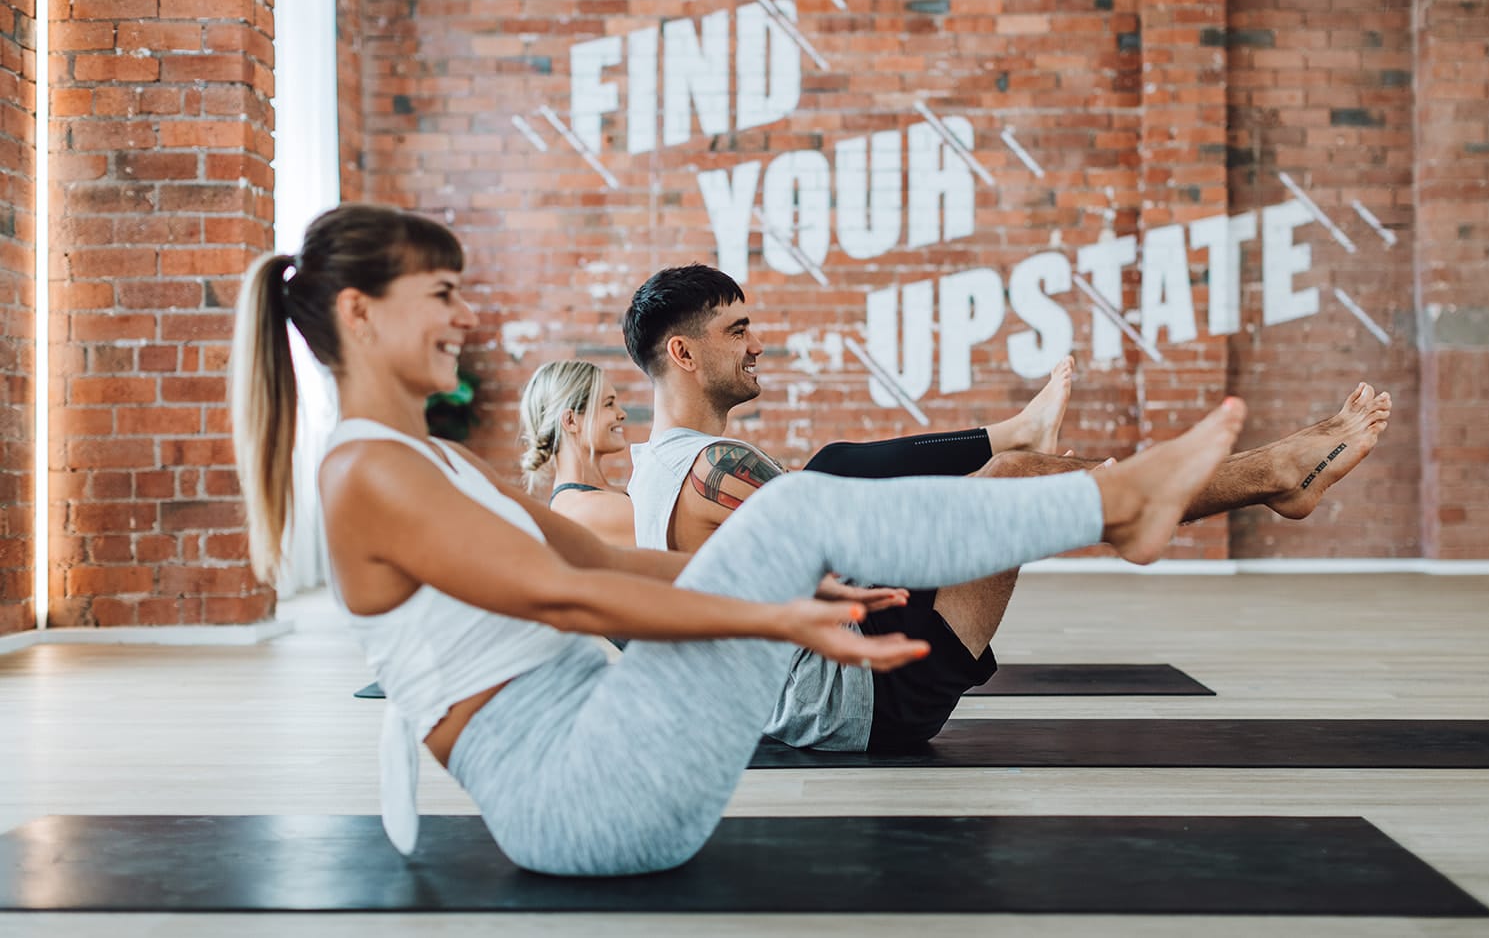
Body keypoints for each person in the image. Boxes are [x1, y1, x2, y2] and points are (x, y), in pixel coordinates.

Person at [230, 202, 1247, 876]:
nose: (466, 317)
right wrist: (774, 613)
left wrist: (779, 602)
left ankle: (1117, 500)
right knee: (803, 504)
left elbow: (612, 562)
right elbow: (564, 601)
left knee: (801, 512)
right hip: (581, 798)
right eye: (442, 295)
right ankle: (1118, 502)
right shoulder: (367, 469)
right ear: (361, 314)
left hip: (608, 761)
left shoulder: (430, 461)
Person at [620, 264, 1393, 752]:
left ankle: (1204, 484)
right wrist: (1012, 493)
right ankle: (1268, 474)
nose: (758, 343)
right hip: (862, 699)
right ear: (683, 354)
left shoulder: (655, 471)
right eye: (738, 329)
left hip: (826, 683)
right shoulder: (718, 468)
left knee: (1001, 474)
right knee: (1006, 475)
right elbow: (865, 555)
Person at [518, 359, 634, 546]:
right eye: (609, 404)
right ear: (571, 421)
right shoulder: (585, 509)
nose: (621, 413)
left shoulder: (596, 499)